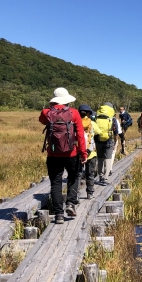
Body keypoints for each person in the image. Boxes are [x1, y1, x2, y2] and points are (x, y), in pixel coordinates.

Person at [39, 87, 87, 224]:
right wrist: (83, 153)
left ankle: (59, 214)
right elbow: (80, 135)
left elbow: (42, 120)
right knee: (73, 177)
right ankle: (71, 204)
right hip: (71, 153)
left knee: (56, 183)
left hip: (53, 154)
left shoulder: (46, 112)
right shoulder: (74, 113)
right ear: (66, 100)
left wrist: (51, 110)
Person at [78, 104, 102, 199]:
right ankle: (90, 193)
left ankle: (76, 195)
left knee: (78, 174)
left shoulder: (74, 123)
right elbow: (98, 133)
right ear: (88, 113)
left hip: (78, 153)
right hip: (91, 152)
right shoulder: (92, 123)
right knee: (90, 174)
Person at [94, 102, 117, 185]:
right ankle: (105, 178)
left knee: (100, 159)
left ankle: (100, 176)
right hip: (109, 141)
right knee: (108, 159)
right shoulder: (113, 119)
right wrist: (115, 143)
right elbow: (116, 132)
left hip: (98, 141)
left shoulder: (96, 117)